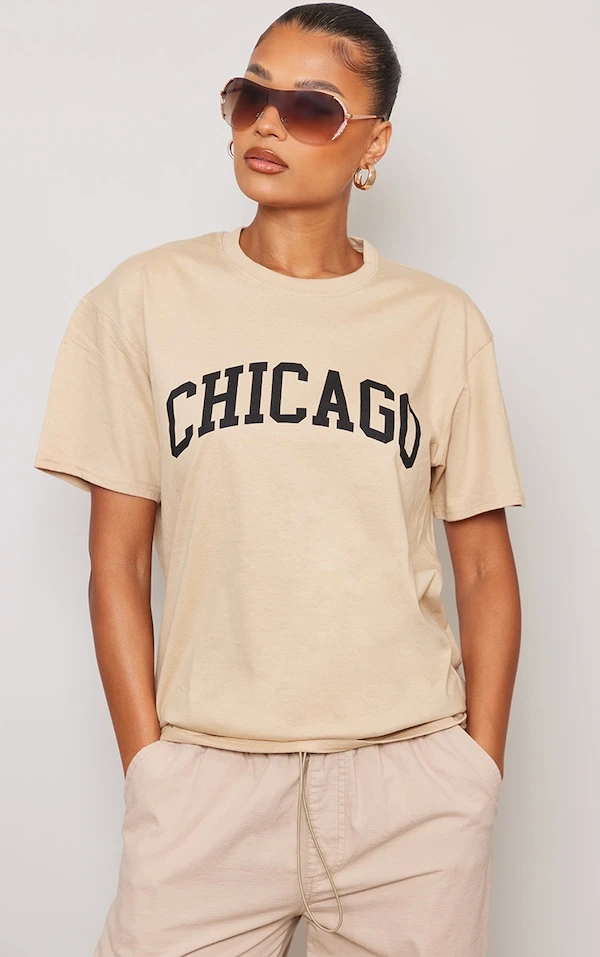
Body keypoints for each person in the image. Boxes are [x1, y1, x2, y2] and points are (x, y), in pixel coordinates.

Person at [33, 4, 526, 955]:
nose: (267, 122)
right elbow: (117, 562)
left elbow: (482, 568)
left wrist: (476, 773)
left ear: (373, 143)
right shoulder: (143, 300)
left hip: (409, 788)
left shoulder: (439, 322)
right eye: (250, 95)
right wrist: (152, 767)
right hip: (206, 782)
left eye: (310, 108)